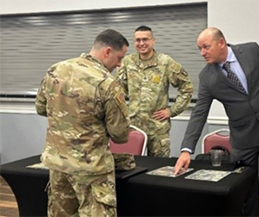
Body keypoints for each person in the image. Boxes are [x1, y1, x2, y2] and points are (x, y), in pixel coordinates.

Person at [174, 27, 259, 216]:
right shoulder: (207, 78)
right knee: (247, 192)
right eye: (199, 48)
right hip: (244, 139)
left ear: (221, 43)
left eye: (206, 47)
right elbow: (199, 113)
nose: (202, 53)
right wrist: (186, 149)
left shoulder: (251, 51)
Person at [35, 29, 130, 217]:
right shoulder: (107, 83)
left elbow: (41, 108)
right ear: (108, 52)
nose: (119, 65)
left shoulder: (55, 70)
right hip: (91, 169)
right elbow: (120, 134)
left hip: (58, 165)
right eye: (119, 58)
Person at [117, 25, 193, 157]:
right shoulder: (127, 62)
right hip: (134, 126)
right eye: (138, 40)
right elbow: (119, 90)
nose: (141, 43)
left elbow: (186, 88)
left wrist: (172, 110)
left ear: (153, 41)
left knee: (159, 168)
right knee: (131, 165)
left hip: (157, 128)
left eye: (145, 39)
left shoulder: (165, 62)